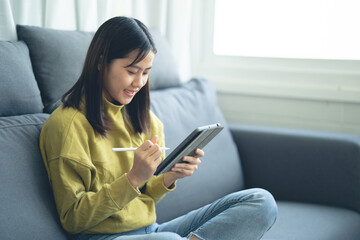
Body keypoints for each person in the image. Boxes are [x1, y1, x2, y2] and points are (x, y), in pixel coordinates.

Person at [39, 16, 277, 240]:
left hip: (152, 231)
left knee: (261, 201)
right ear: (101, 62)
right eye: (131, 71)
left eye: (145, 73)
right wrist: (132, 179)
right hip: (104, 236)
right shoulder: (66, 126)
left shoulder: (146, 120)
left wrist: (170, 176)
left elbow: (147, 196)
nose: (139, 82)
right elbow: (72, 218)